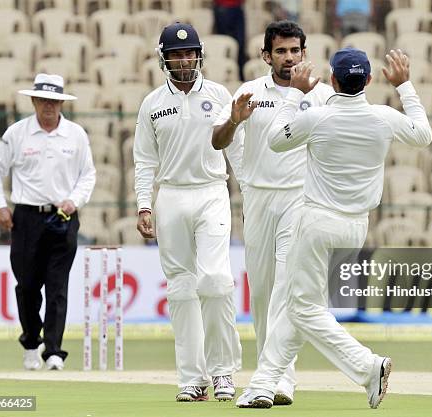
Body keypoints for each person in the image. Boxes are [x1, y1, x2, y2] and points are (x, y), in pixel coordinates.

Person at [235, 47, 432, 408]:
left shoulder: (319, 117)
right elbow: (424, 135)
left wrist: (295, 92)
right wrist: (405, 86)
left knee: (303, 309)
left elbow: (276, 140)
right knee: (301, 307)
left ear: (333, 81)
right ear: (370, 81)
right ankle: (263, 384)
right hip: (354, 229)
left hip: (315, 223)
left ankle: (367, 367)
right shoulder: (383, 117)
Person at [211, 20, 335, 405]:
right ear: (266, 55)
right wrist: (234, 120)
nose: (288, 57)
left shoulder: (322, 95)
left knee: (285, 286)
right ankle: (269, 372)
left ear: (304, 52)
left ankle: (281, 380)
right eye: (280, 51)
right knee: (263, 292)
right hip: (259, 200)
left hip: (299, 199)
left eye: (295, 50)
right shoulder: (249, 92)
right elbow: (219, 143)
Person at [133, 22, 241, 402]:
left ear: (199, 55)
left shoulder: (219, 94)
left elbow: (236, 150)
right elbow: (144, 160)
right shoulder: (152, 103)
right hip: (172, 196)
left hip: (212, 191)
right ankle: (192, 379)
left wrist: (248, 192)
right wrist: (144, 204)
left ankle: (223, 372)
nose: (184, 59)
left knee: (214, 279)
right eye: (176, 54)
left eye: (189, 52)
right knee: (180, 290)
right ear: (164, 59)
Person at [0, 73, 96, 371]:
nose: (49, 106)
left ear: (61, 103)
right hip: (26, 218)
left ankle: (55, 351)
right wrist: (0, 205)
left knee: (57, 286)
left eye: (54, 101)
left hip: (63, 216)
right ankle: (32, 343)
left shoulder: (76, 134)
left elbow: (89, 174)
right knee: (28, 286)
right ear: (33, 101)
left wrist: (76, 200)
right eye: (44, 100)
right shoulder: (17, 133)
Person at [213, 0, 247, 80]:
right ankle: (223, 77)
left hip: (236, 7)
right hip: (223, 8)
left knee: (240, 45)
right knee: (224, 46)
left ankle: (239, 78)